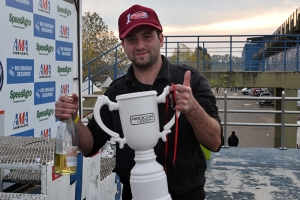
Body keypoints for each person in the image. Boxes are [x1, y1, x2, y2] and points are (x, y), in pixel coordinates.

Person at [55, 4, 222, 200]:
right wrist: (73, 119)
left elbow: (215, 142)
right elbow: (90, 145)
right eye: (132, 39)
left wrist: (192, 109)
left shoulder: (191, 81)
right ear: (123, 45)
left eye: (147, 36)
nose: (140, 45)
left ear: (161, 38)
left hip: (187, 194)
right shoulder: (116, 91)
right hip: (134, 194)